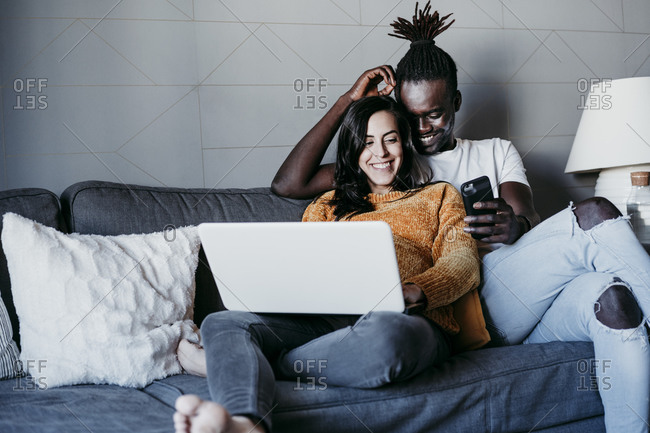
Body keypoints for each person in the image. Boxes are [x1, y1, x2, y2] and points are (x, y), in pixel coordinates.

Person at [271, 3, 650, 432]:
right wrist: (350, 101)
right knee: (595, 212)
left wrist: (516, 224)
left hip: (524, 289)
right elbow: (289, 184)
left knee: (615, 300)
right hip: (471, 304)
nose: (423, 128)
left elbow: (525, 212)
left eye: (434, 113)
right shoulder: (390, 161)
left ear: (455, 101)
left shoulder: (494, 151)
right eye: (411, 118)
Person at [173, 96, 484, 433]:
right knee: (223, 323)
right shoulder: (326, 206)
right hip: (326, 325)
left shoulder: (439, 196)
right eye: (366, 143)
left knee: (386, 339)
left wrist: (416, 290)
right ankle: (245, 423)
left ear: (404, 143)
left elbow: (463, 261)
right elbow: (305, 271)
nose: (379, 153)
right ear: (352, 150)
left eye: (389, 139)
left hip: (405, 323)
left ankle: (250, 364)